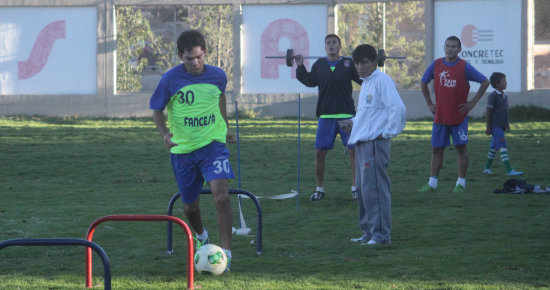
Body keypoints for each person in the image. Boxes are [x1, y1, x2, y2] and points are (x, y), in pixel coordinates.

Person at [149, 29, 235, 271]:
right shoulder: (169, 80)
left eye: (199, 57)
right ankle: (202, 236)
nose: (195, 63)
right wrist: (164, 134)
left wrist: (225, 127)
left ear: (205, 53)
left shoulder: (217, 76)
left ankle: (226, 254)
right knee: (190, 207)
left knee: (221, 197)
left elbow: (220, 98)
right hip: (183, 151)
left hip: (213, 146)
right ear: (180, 56)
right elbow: (157, 109)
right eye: (189, 59)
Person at [339, 44, 406, 245]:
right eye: (356, 63)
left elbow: (398, 109)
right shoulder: (366, 83)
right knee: (362, 189)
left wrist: (386, 133)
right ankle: (368, 232)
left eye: (364, 62)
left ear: (374, 62)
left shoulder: (382, 81)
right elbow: (368, 114)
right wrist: (353, 123)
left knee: (375, 189)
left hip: (375, 144)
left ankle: (381, 235)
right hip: (361, 145)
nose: (359, 67)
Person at [294, 34, 362, 201]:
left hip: (347, 115)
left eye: (334, 43)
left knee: (354, 151)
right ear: (325, 47)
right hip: (326, 115)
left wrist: (373, 69)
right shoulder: (320, 65)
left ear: (339, 46)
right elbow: (310, 81)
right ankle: (319, 189)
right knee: (319, 153)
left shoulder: (348, 63)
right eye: (328, 43)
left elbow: (362, 79)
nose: (331, 45)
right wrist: (300, 66)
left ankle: (356, 188)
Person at [418, 36, 490, 193]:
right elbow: (423, 82)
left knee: (461, 149)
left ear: (459, 49)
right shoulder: (436, 65)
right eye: (447, 46)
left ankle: (460, 183)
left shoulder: (465, 67)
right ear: (444, 48)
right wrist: (429, 103)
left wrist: (472, 103)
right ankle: (432, 183)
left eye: (453, 46)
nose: (450, 49)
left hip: (458, 118)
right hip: (440, 117)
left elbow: (485, 82)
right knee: (437, 150)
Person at [482, 72, 523, 176]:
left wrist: (507, 124)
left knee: (493, 148)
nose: (506, 83)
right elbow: (488, 111)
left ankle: (487, 169)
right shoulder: (492, 96)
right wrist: (488, 127)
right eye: (503, 81)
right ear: (497, 84)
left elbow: (505, 111)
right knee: (503, 146)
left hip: (501, 126)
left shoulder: (505, 95)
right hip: (495, 126)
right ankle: (509, 170)